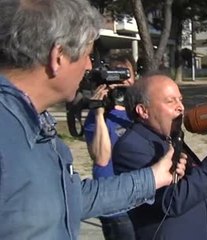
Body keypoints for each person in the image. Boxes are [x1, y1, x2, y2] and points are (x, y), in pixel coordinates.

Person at [0, 0, 186, 239]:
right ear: (58, 57)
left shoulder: (37, 125)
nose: (90, 67)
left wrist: (154, 177)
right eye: (88, 55)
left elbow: (71, 197)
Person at [112, 73, 207, 240]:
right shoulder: (131, 148)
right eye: (170, 101)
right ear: (143, 111)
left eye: (180, 99)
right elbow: (171, 201)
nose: (181, 107)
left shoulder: (169, 139)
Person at [83, 53, 137, 240]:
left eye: (126, 74)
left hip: (143, 198)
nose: (122, 81)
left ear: (135, 77)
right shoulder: (99, 116)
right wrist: (98, 112)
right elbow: (101, 158)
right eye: (117, 74)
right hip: (115, 206)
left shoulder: (140, 110)